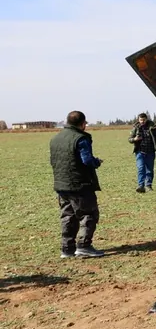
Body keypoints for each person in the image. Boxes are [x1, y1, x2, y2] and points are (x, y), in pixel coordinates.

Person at [49, 110, 105, 258]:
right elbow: (86, 160)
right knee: (88, 214)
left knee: (68, 216)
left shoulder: (56, 138)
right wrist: (96, 162)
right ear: (82, 124)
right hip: (80, 184)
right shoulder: (81, 138)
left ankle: (67, 249)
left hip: (61, 184)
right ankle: (84, 246)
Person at [129, 113, 156, 193]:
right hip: (140, 152)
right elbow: (129, 139)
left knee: (149, 170)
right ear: (138, 120)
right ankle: (141, 186)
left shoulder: (152, 127)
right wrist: (134, 139)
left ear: (146, 119)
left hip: (151, 151)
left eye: (143, 120)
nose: (142, 121)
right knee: (141, 168)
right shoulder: (136, 128)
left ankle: (148, 185)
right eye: (141, 120)